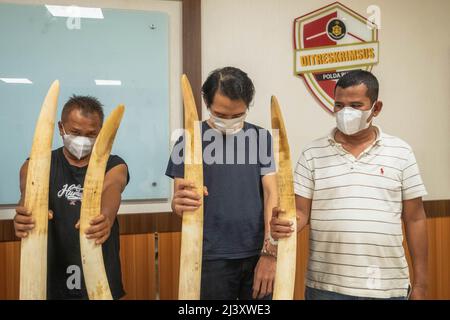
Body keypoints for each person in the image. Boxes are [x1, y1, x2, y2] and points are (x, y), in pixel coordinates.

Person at [271, 70, 428, 300]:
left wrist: (422, 285)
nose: (346, 113)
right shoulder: (312, 153)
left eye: (356, 105)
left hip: (387, 286)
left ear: (376, 108)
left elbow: (415, 218)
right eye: (340, 105)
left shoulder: (401, 152)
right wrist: (284, 225)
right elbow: (301, 212)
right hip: (326, 287)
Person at [166, 67, 278, 299]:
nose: (228, 121)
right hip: (209, 256)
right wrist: (180, 203)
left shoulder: (260, 138)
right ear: (207, 103)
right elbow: (178, 203)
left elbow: (271, 194)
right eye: (220, 114)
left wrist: (270, 251)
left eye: (237, 115)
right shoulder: (188, 140)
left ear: (247, 106)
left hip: (257, 253)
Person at [14, 95, 130, 299]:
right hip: (52, 274)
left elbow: (112, 188)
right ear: (61, 128)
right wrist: (25, 215)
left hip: (99, 274)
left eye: (91, 134)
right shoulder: (39, 163)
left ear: (101, 133)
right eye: (75, 132)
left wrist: (106, 217)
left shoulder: (113, 164)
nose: (82, 140)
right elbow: (28, 191)